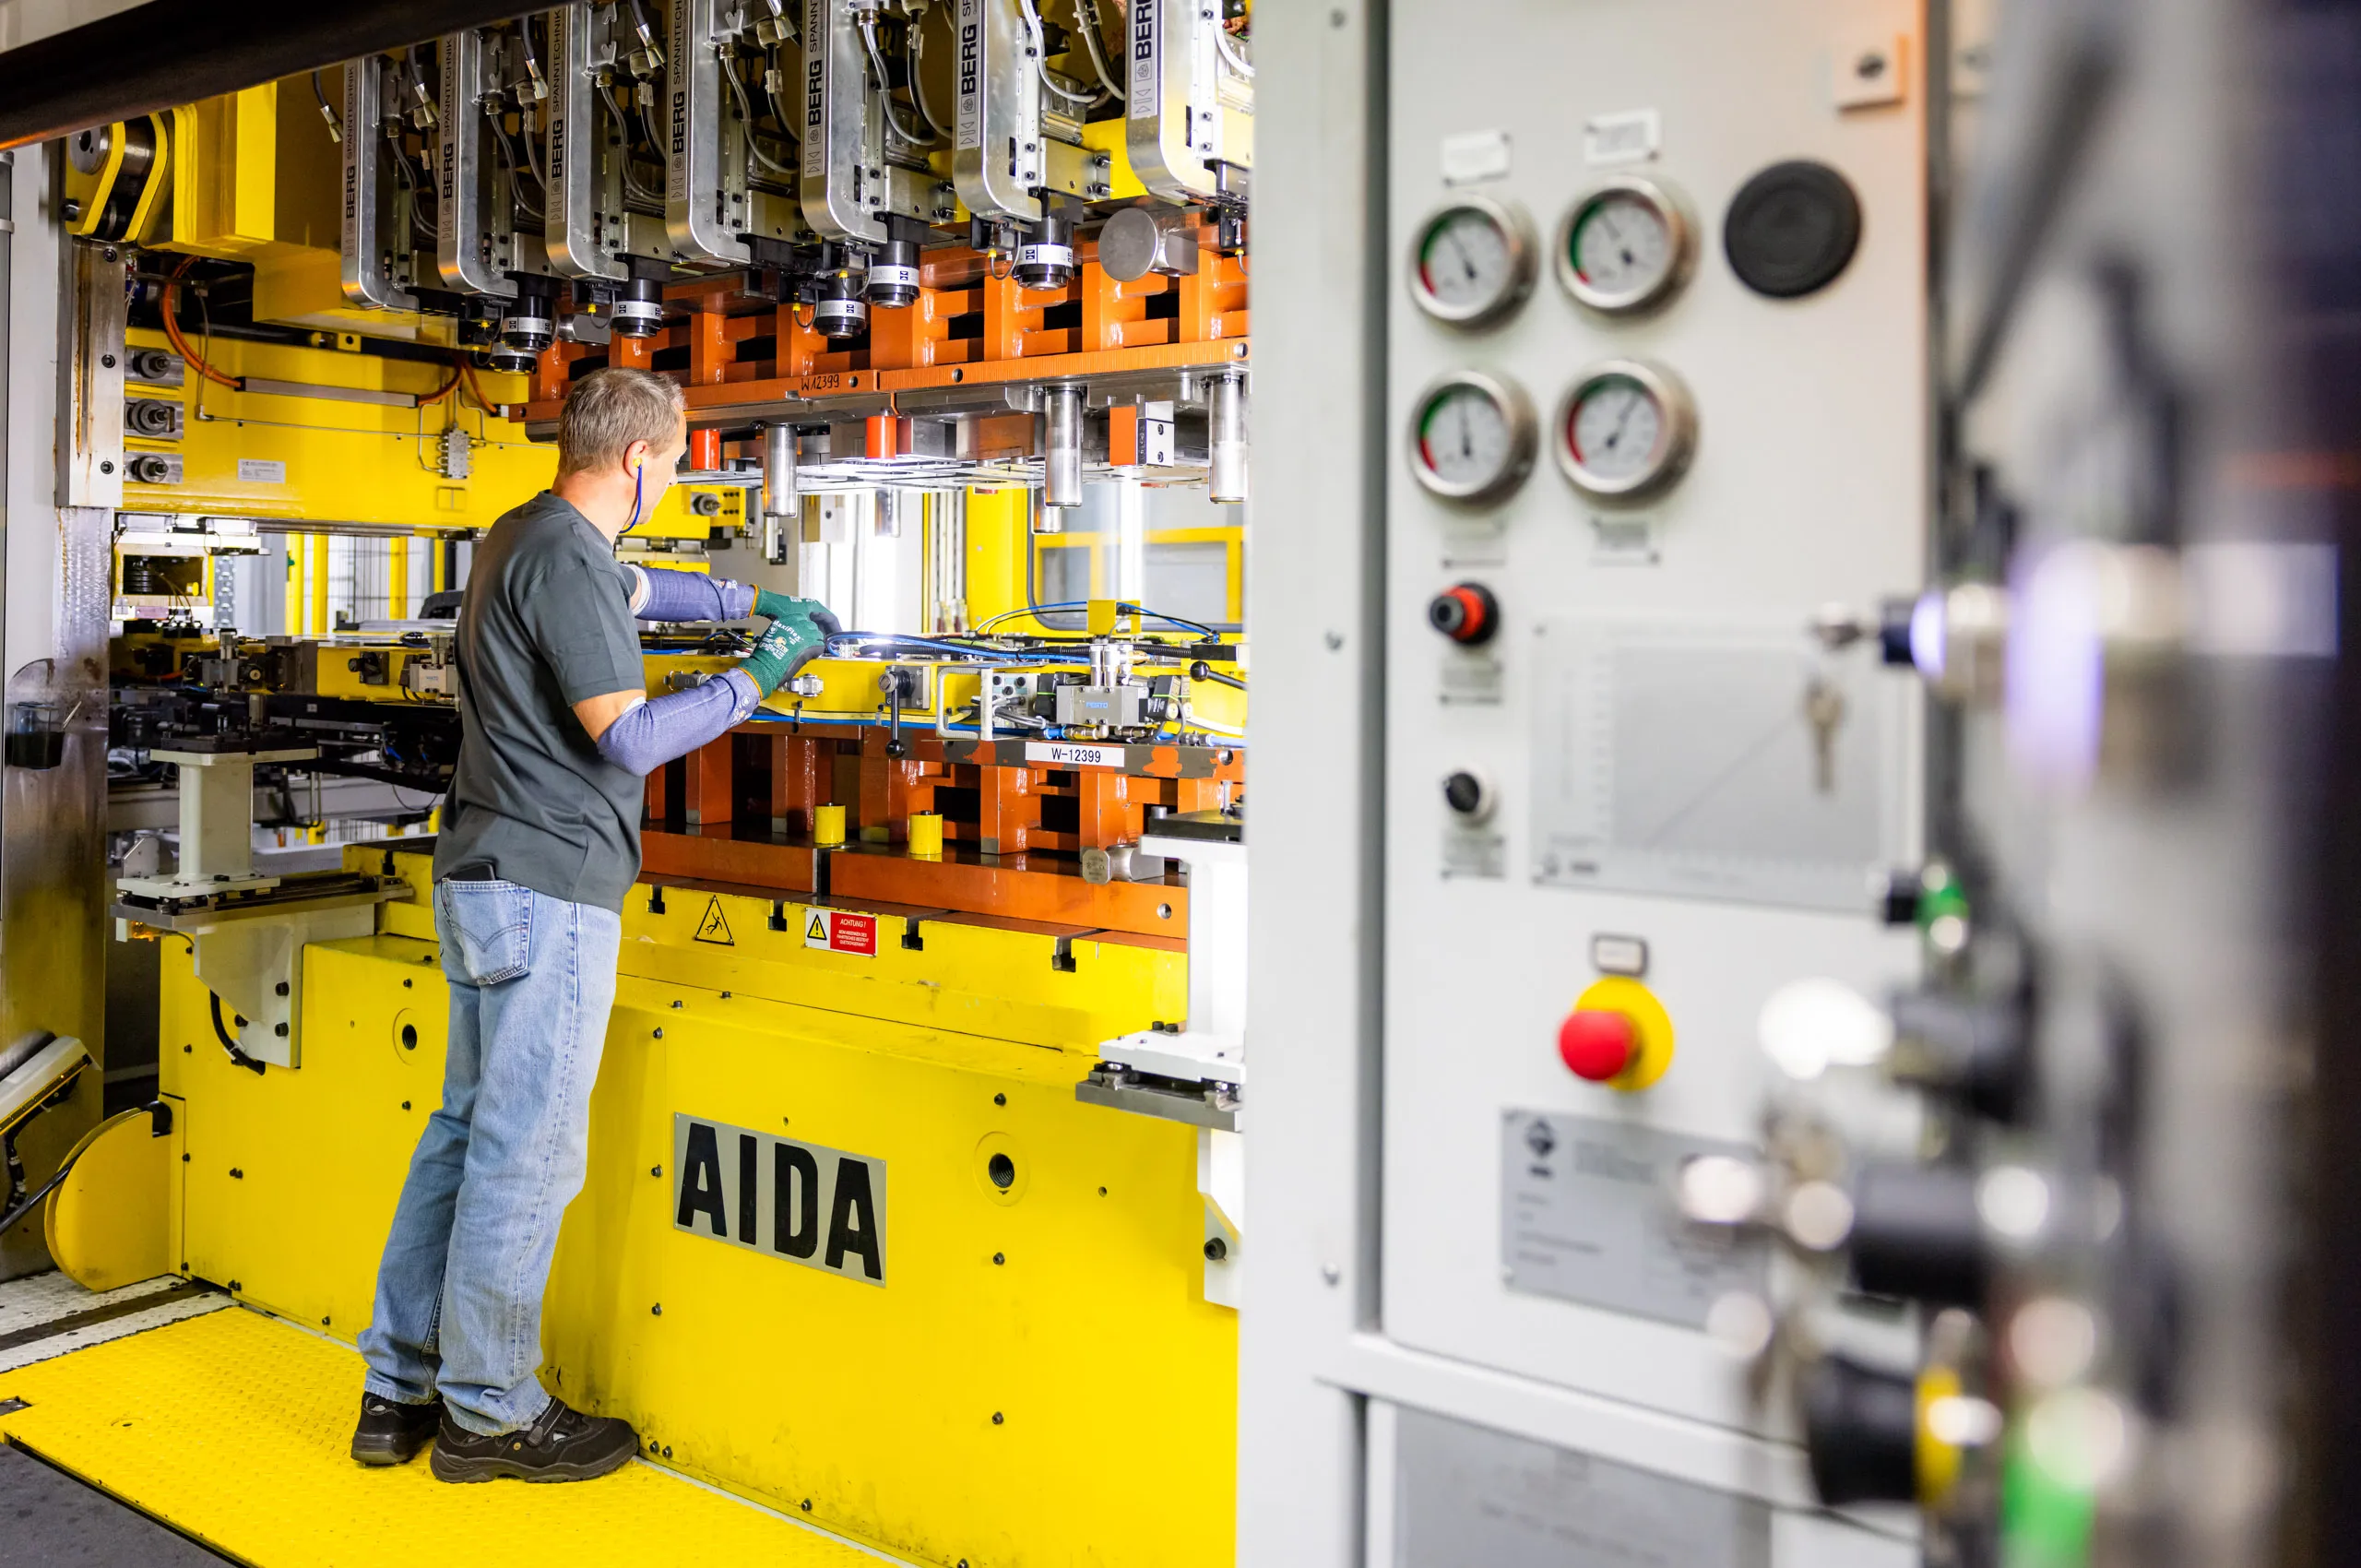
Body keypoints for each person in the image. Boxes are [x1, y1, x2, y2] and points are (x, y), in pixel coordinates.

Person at [347, 368, 836, 1483]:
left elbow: (633, 589)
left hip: (480, 871)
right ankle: (488, 1413)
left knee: (464, 1133)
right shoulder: (567, 555)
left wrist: (749, 603)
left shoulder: (518, 534)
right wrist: (762, 673)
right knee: (528, 1152)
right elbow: (627, 739)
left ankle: (398, 1388)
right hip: (549, 886)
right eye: (672, 464)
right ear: (638, 462)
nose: (672, 480)